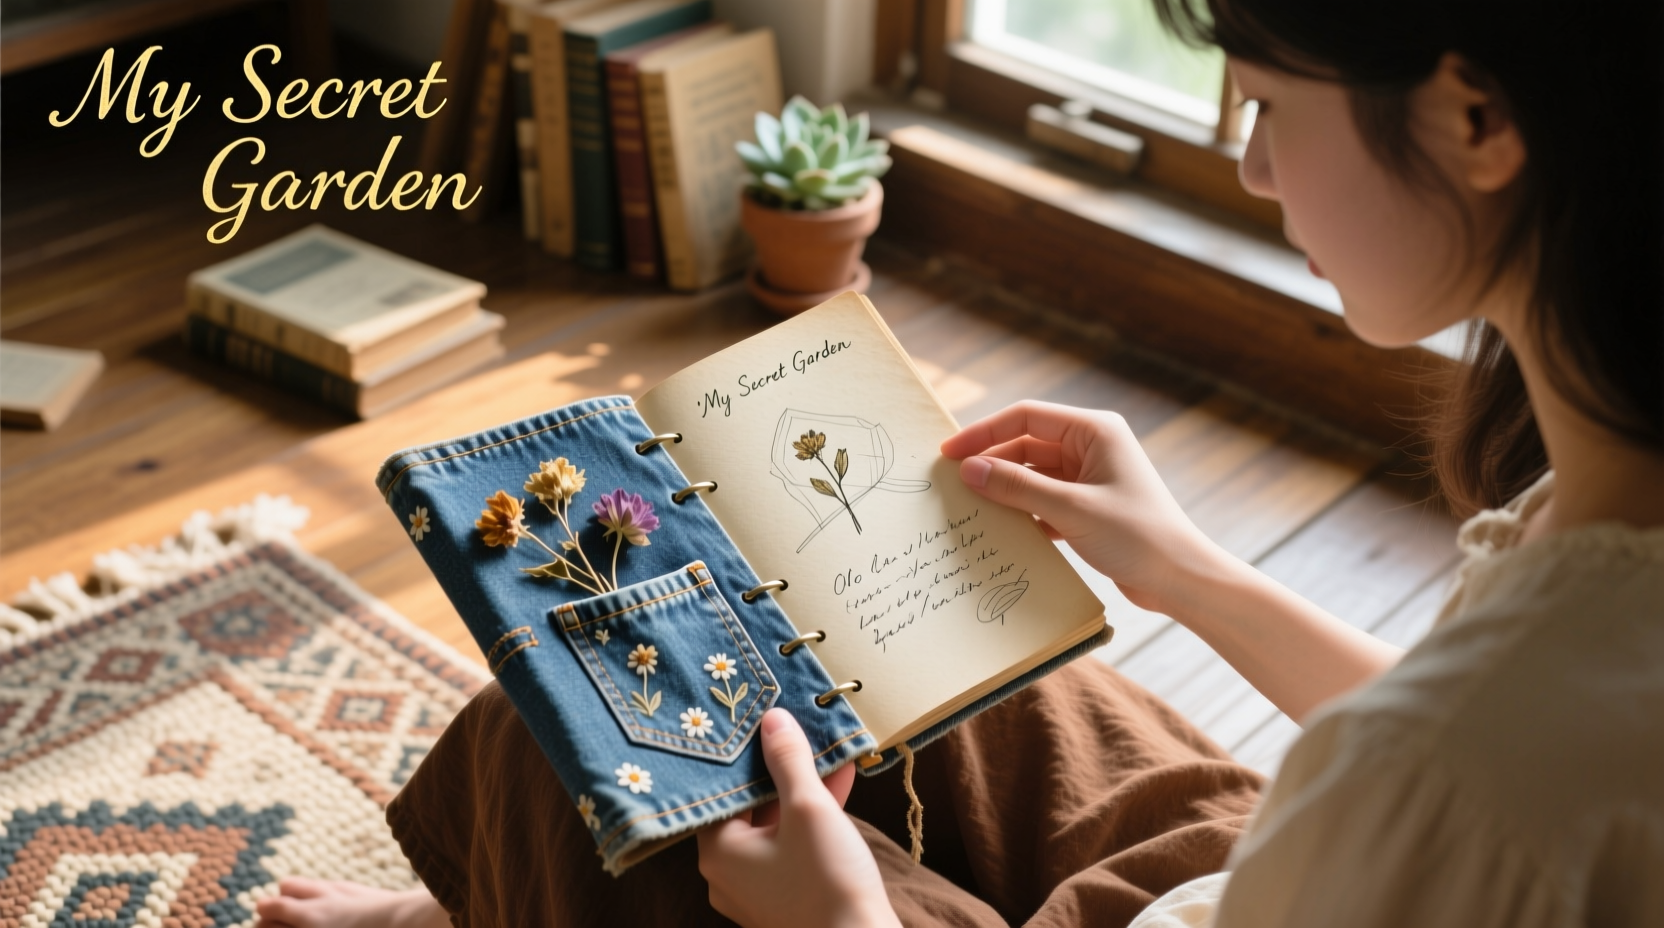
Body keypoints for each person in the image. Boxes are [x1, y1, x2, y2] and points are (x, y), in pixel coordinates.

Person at [255, 1, 1664, 926]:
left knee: (650, 741)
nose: (1250, 170)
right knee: (889, 670)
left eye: (1267, 108)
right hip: (1258, 877)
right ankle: (512, 884)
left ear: (1477, 119)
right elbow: (1448, 747)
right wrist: (1194, 575)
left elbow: (1448, 769)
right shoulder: (1594, 553)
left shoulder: (1446, 782)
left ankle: (505, 892)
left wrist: (852, 926)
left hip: (1306, 876)